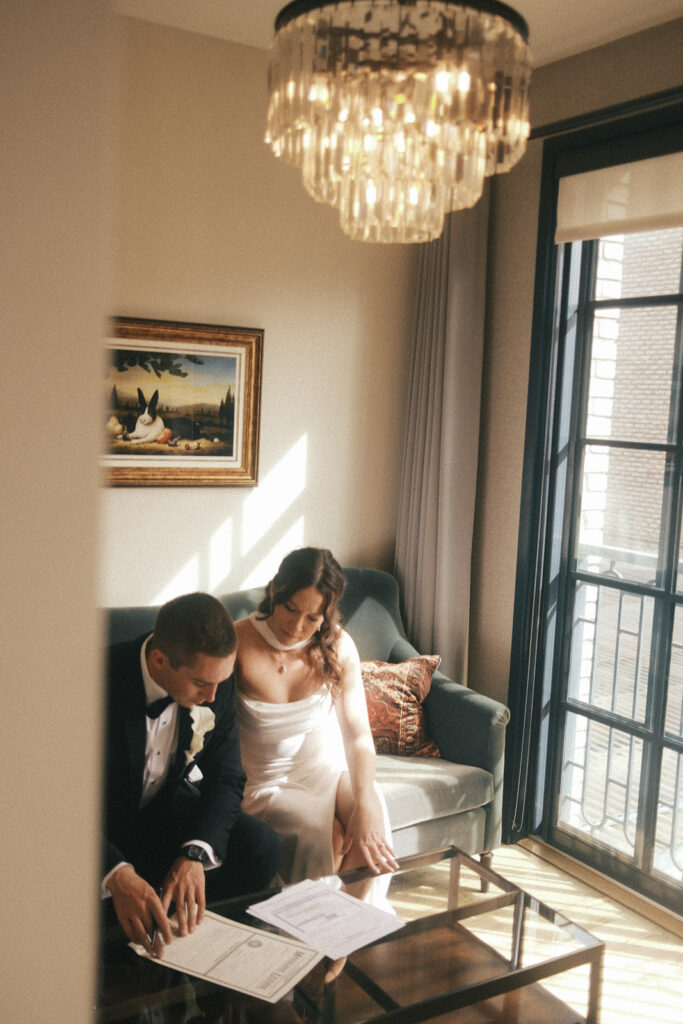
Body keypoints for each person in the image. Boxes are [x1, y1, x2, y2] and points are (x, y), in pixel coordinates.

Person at [102, 592, 282, 957]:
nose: (213, 695)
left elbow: (228, 776)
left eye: (220, 682)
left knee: (262, 844)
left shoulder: (215, 679)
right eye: (201, 684)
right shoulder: (93, 681)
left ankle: (216, 971)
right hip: (99, 834)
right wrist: (114, 873)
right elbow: (49, 803)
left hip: (162, 817)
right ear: (159, 660)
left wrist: (195, 853)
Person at [234, 547, 398, 884]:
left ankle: (352, 927)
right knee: (311, 827)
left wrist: (364, 800)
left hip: (329, 771)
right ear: (274, 591)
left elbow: (357, 735)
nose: (296, 627)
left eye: (312, 618)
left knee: (371, 808)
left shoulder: (338, 646)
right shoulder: (238, 641)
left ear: (328, 613)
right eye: (291, 610)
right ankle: (309, 925)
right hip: (266, 785)